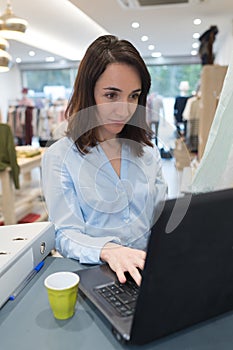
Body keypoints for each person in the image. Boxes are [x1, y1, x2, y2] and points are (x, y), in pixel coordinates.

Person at [41, 35, 167, 286]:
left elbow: (160, 217)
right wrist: (108, 250)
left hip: (148, 274)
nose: (124, 109)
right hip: (97, 278)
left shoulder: (148, 152)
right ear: (88, 94)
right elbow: (65, 234)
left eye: (133, 96)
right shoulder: (60, 157)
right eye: (111, 95)